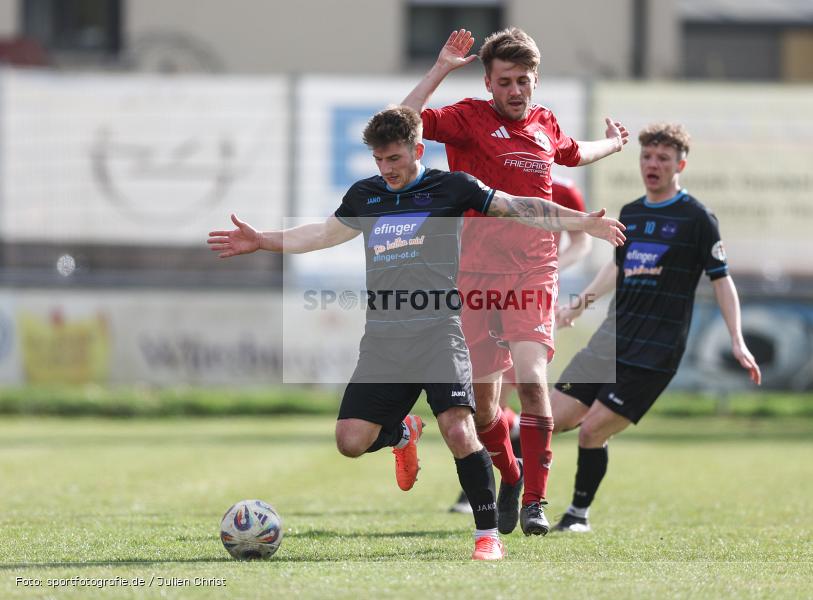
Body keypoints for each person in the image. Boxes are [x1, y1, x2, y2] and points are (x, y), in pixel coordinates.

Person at [206, 106, 625, 559]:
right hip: (384, 341)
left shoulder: (451, 187)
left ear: (417, 150)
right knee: (350, 442)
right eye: (379, 160)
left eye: (394, 159)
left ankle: (488, 537)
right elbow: (324, 233)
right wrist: (263, 239)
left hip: (439, 334)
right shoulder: (365, 196)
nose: (386, 170)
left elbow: (519, 207)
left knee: (459, 430)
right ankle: (403, 433)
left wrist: (583, 222)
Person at [402, 28, 629, 535]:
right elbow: (404, 124)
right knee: (485, 413)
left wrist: (612, 144)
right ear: (488, 82)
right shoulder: (466, 117)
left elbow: (573, 152)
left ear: (535, 80)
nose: (515, 90)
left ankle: (536, 502)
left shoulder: (544, 123)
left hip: (533, 270)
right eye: (505, 81)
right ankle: (510, 474)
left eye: (523, 80)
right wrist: (440, 67)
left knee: (530, 379)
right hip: (476, 276)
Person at [549, 123, 762, 533]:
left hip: (655, 351)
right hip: (609, 341)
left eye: (663, 158)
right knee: (547, 420)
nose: (653, 164)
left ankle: (577, 515)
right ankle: (510, 493)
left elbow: (722, 280)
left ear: (680, 164)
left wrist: (737, 339)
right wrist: (579, 304)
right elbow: (616, 268)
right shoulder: (631, 213)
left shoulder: (698, 219)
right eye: (647, 156)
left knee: (591, 430)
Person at [448, 175, 590, 514]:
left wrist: (551, 269)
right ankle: (500, 468)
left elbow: (580, 243)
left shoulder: (564, 188)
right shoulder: (487, 185)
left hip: (532, 296)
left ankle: (517, 494)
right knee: (486, 404)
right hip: (484, 295)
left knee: (526, 384)